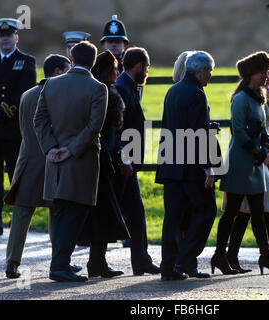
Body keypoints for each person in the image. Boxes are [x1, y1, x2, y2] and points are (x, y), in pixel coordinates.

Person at [3, 54, 84, 278]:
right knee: (57, 213)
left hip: (28, 160)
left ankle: (12, 261)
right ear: (57, 71)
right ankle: (60, 261)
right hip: (54, 160)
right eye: (67, 70)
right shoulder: (60, 94)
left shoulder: (27, 95)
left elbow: (23, 130)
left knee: (22, 213)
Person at [34, 41, 108, 282]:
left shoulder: (51, 85)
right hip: (81, 160)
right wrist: (71, 150)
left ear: (72, 59)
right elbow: (93, 127)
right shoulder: (98, 88)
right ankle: (59, 266)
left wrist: (52, 148)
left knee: (63, 212)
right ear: (94, 61)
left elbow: (40, 120)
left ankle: (61, 262)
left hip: (55, 160)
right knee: (75, 213)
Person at [215, 51, 269, 275]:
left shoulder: (258, 99)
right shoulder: (241, 99)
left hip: (255, 163)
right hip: (240, 163)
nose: (267, 76)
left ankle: (266, 257)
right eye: (263, 72)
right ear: (251, 74)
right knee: (232, 212)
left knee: (258, 210)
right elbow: (238, 130)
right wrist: (256, 150)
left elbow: (263, 130)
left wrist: (265, 148)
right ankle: (220, 255)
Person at [156, 51, 218, 281]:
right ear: (202, 71)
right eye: (209, 72)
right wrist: (208, 167)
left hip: (171, 164)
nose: (210, 76)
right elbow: (198, 134)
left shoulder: (172, 91)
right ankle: (184, 259)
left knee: (172, 217)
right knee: (206, 211)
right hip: (190, 166)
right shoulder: (196, 93)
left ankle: (169, 267)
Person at [0, 18, 36, 236]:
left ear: (16, 37)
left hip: (13, 129)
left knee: (16, 176)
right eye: (1, 36)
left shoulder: (26, 61)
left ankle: (19, 222)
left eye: (9, 35)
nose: (5, 39)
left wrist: (1, 112)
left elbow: (26, 91)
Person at [78, 50, 130, 278]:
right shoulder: (106, 94)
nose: (117, 73)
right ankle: (96, 263)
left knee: (100, 214)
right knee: (103, 214)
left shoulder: (96, 91)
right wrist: (117, 157)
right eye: (115, 69)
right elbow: (106, 134)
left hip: (98, 160)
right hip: (103, 162)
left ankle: (97, 262)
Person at [114, 47, 160, 276]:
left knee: (131, 212)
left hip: (127, 162)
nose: (148, 71)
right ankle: (140, 260)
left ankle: (140, 260)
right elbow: (118, 129)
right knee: (133, 212)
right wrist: (124, 160)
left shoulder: (128, 86)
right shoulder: (123, 88)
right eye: (148, 66)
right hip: (123, 164)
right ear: (140, 65)